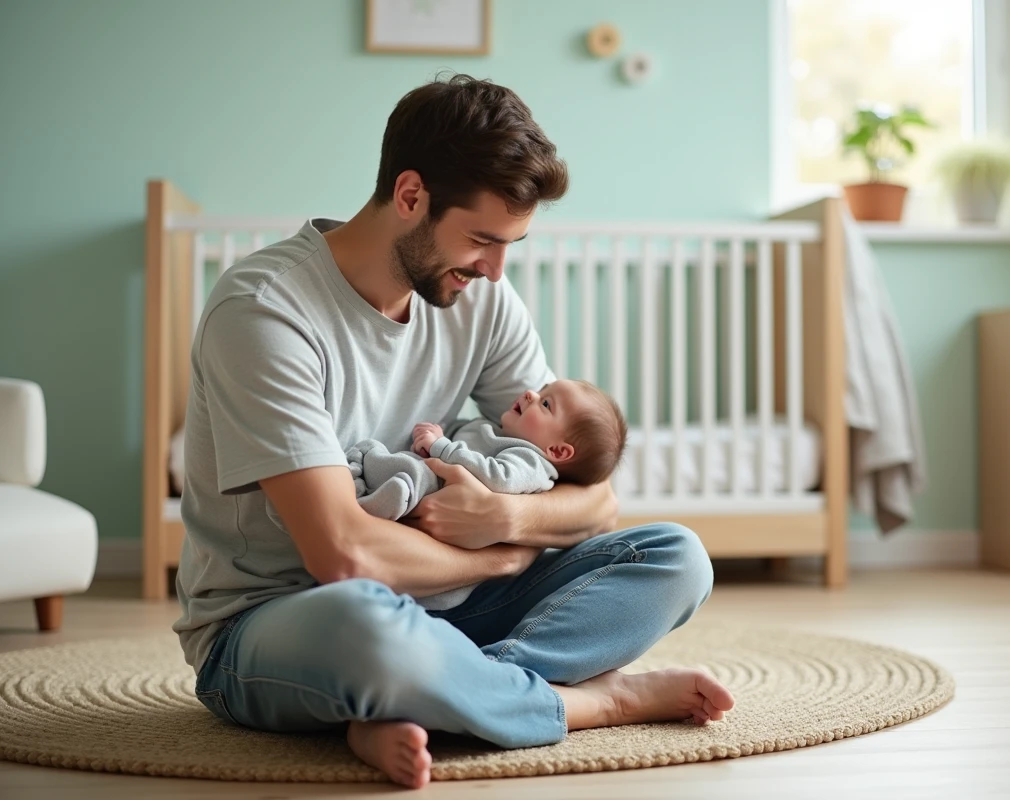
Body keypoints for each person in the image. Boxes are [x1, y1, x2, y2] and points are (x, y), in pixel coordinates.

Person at [172, 73, 734, 790]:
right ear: (411, 196)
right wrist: (501, 557)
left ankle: (439, 692)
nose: (497, 270)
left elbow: (594, 501)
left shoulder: (479, 297)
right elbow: (343, 555)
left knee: (675, 557)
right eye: (482, 240)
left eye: (511, 245)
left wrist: (506, 515)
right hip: (285, 620)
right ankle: (591, 701)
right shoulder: (264, 312)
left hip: (442, 612)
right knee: (369, 625)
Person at [334, 378, 628, 610]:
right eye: (541, 390)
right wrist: (440, 436)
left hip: (444, 567)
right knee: (402, 467)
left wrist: (441, 447)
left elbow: (497, 478)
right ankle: (370, 483)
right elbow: (464, 438)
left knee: (412, 476)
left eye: (546, 403)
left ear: (558, 451)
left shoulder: (532, 463)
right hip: (412, 536)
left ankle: (374, 495)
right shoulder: (493, 429)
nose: (530, 394)